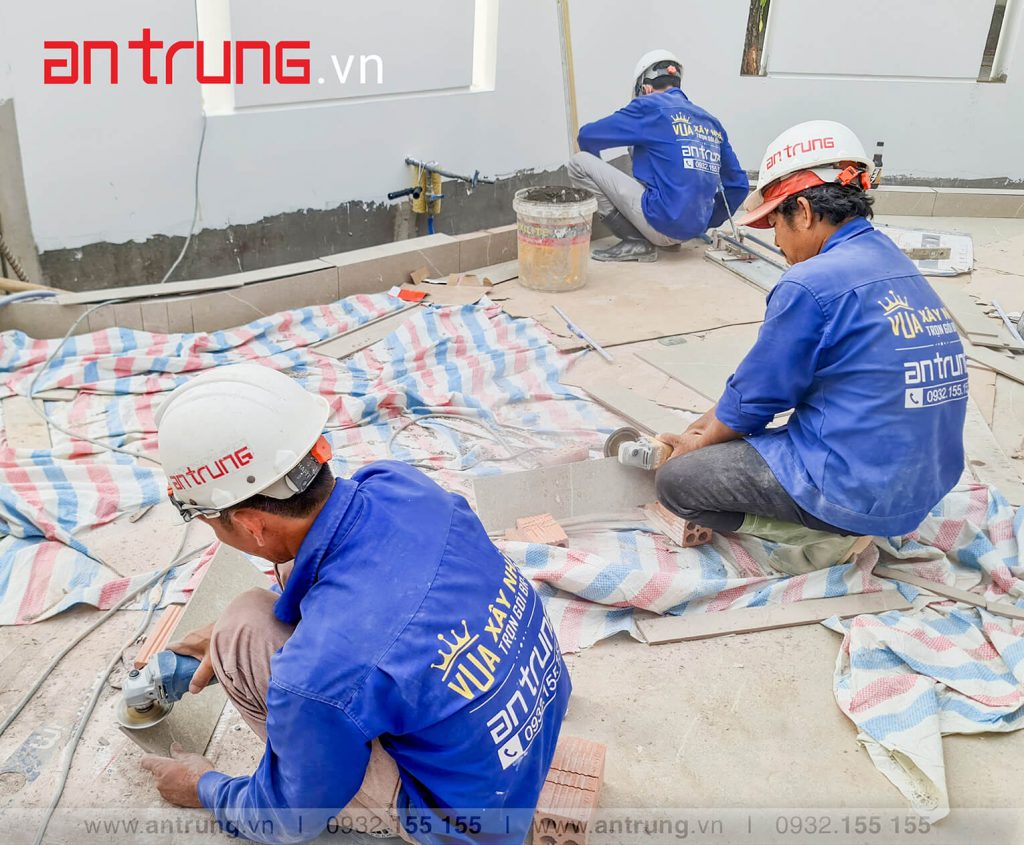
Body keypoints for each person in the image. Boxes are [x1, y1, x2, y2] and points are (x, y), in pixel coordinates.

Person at [139, 364, 571, 844]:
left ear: (251, 524)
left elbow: (287, 818)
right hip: (535, 721)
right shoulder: (398, 484)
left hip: (473, 822)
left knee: (242, 628)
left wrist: (203, 787)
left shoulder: (315, 677)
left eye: (207, 519)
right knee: (287, 576)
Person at [654, 120, 967, 574]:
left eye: (775, 223)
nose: (776, 240)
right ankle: (844, 519)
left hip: (858, 491)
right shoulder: (893, 261)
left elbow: (756, 401)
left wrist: (694, 444)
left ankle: (826, 534)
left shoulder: (810, 282)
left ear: (802, 211)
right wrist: (701, 431)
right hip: (921, 485)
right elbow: (757, 387)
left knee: (679, 483)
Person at [566, 49, 749, 263]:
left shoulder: (649, 106)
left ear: (645, 88)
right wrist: (703, 220)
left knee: (579, 163)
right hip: (692, 228)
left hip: (661, 224)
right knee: (644, 148)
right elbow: (739, 186)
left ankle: (635, 239)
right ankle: (667, 227)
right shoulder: (710, 121)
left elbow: (588, 136)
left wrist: (605, 189)